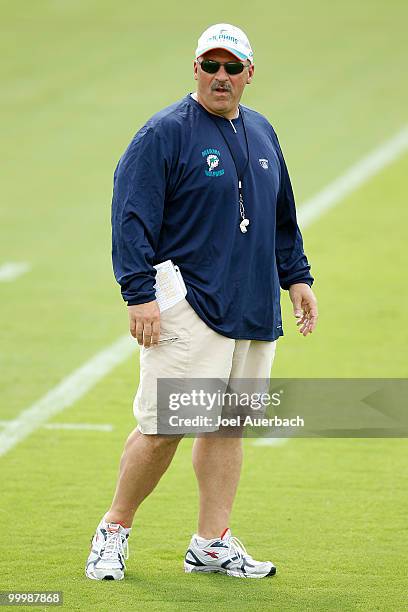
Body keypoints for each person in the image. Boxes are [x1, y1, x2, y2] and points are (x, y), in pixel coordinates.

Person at [85, 23, 318, 581]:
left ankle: (211, 543)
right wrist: (138, 294)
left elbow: (281, 214)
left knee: (227, 426)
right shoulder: (165, 133)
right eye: (210, 66)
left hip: (254, 306)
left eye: (232, 67)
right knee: (166, 426)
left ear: (249, 74)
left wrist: (297, 277)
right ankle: (113, 530)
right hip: (191, 306)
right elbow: (131, 214)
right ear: (195, 69)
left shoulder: (262, 130)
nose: (221, 76)